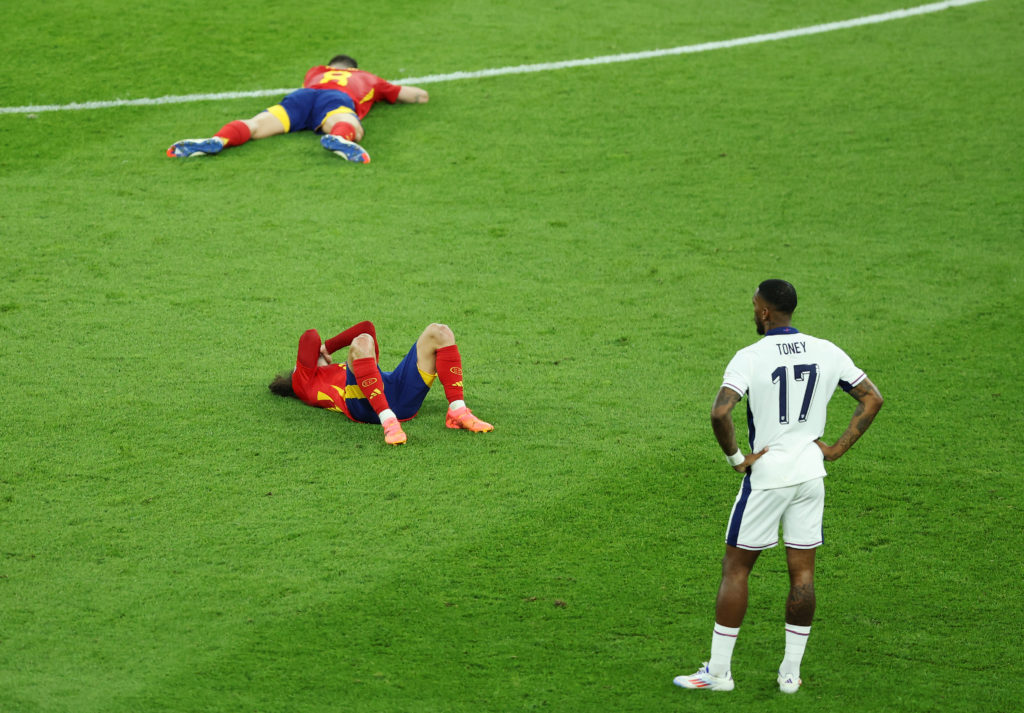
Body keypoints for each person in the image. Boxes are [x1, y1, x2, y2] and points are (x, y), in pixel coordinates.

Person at [674, 279, 883, 694]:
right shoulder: (826, 350)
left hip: (768, 476)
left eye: (755, 306)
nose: (753, 311)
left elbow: (720, 413)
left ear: (766, 312)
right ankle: (790, 673)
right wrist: (837, 449)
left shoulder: (750, 357)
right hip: (810, 473)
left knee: (736, 569)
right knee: (802, 573)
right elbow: (872, 398)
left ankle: (718, 673)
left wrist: (738, 459)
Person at [167, 54, 429, 164]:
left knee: (256, 124)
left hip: (301, 97)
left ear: (330, 66)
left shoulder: (314, 72)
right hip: (335, 99)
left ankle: (218, 139)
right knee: (348, 124)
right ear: (354, 68)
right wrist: (413, 94)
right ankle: (338, 137)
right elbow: (416, 96)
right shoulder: (368, 78)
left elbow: (312, 88)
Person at [268, 320, 492, 445]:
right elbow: (310, 336)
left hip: (396, 394)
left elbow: (367, 326)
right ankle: (389, 423)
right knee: (362, 343)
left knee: (439, 331)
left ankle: (457, 412)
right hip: (363, 407)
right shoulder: (304, 382)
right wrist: (322, 349)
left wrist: (328, 349)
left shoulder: (350, 365)